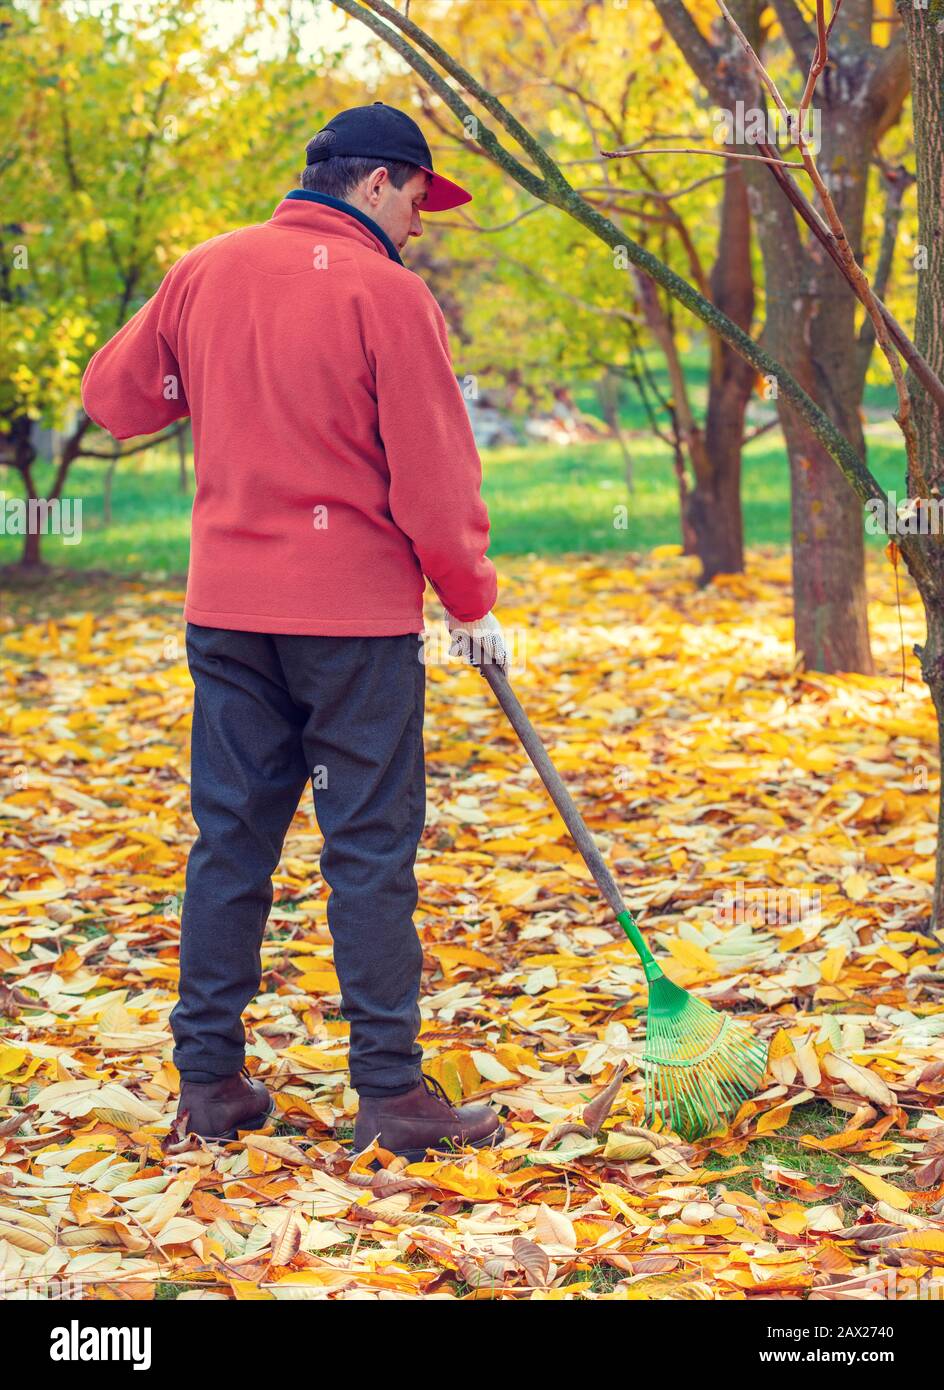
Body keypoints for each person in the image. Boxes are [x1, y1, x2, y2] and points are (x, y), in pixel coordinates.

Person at [81, 102, 507, 1158]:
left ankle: (209, 1082)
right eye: (418, 200)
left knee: (230, 839)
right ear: (375, 185)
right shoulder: (388, 295)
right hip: (352, 629)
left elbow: (113, 401)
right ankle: (392, 1096)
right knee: (366, 849)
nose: (420, 224)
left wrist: (224, 363)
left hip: (227, 614)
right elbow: (433, 481)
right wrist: (471, 601)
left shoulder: (205, 268)